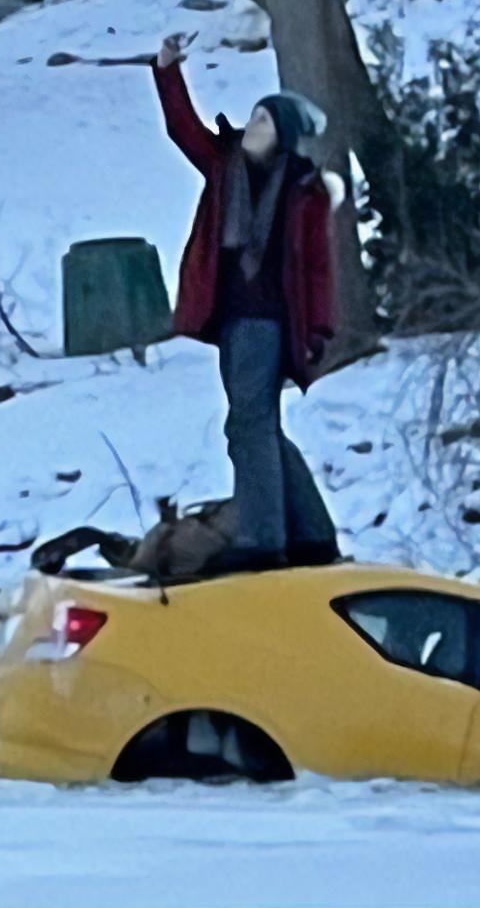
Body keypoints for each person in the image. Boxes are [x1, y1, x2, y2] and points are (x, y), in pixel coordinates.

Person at [152, 32, 344, 575]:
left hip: (271, 322)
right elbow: (182, 129)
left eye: (263, 121)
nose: (252, 126)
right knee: (259, 426)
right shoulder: (224, 164)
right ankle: (311, 533)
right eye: (254, 117)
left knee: (248, 426)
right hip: (232, 319)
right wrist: (167, 70)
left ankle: (265, 537)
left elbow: (317, 268)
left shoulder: (302, 191)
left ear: (280, 136)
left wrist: (318, 332)